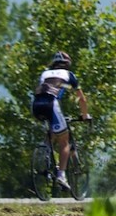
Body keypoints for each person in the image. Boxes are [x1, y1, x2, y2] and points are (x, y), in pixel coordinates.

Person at [32, 51, 91, 192]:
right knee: (64, 141)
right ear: (67, 64)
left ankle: (45, 152)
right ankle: (61, 175)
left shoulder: (45, 73)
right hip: (51, 104)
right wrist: (85, 115)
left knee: (53, 132)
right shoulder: (69, 75)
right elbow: (82, 99)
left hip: (36, 105)